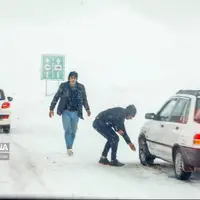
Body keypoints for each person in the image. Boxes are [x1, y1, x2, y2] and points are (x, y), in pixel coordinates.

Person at [49, 71, 91, 156]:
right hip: (65, 111)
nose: (73, 79)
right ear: (69, 78)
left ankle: (70, 145)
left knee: (74, 131)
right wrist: (51, 108)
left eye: (74, 78)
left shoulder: (81, 87)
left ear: (76, 79)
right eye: (71, 78)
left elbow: (84, 99)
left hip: (76, 112)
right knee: (68, 130)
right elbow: (56, 97)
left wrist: (87, 109)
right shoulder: (63, 86)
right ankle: (69, 148)